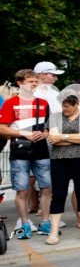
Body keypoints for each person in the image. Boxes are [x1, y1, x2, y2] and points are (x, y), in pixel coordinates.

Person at [0, 69, 53, 238]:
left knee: (47, 187)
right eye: (31, 81)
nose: (34, 84)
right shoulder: (10, 103)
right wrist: (24, 133)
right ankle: (24, 224)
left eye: (36, 81)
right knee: (21, 190)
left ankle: (45, 222)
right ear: (20, 83)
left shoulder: (43, 103)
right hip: (20, 150)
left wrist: (44, 134)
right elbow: (1, 128)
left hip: (41, 150)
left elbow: (50, 128)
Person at [45, 94, 80, 245]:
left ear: (76, 105)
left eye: (68, 106)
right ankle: (53, 232)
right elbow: (53, 138)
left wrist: (63, 137)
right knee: (58, 194)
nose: (64, 109)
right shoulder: (55, 117)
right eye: (63, 106)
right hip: (59, 160)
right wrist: (78, 138)